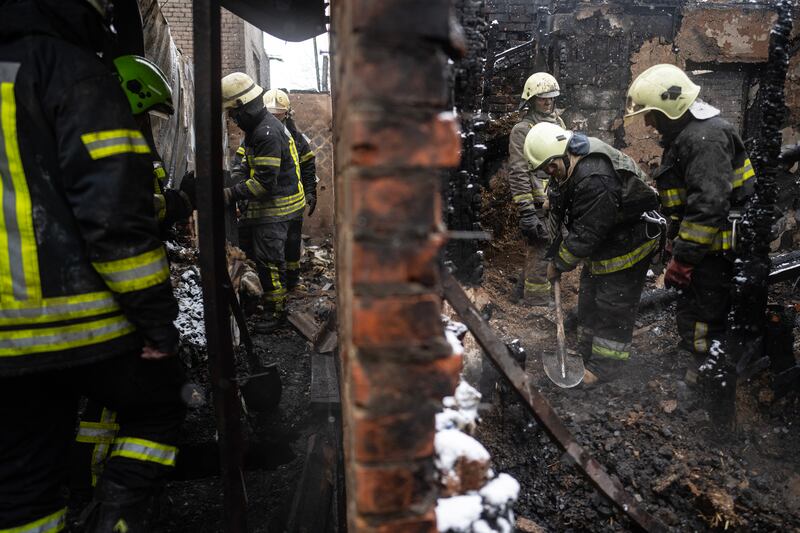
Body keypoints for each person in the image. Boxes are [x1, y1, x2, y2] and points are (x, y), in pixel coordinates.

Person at [0, 1, 186, 531]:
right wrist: (156, 324)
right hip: (69, 315)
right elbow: (117, 218)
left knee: (22, 485)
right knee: (159, 405)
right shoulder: (70, 71)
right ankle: (116, 517)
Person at [71, 54, 197, 495]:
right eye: (142, 112)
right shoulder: (104, 143)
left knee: (106, 397)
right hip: (110, 294)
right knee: (131, 399)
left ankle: (98, 485)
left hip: (101, 291)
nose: (146, 123)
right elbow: (130, 214)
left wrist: (172, 201)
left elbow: (147, 200)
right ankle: (109, 495)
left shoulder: (105, 139)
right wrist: (155, 320)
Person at [625, 64, 755, 372]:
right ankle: (696, 362)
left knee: (705, 319)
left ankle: (706, 378)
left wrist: (684, 260)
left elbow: (707, 206)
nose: (647, 121)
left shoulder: (705, 138)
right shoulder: (689, 135)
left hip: (716, 251)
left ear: (670, 109)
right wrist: (676, 246)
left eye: (651, 113)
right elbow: (684, 205)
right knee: (693, 308)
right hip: (705, 248)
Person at [524, 122, 660, 383]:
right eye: (545, 169)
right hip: (606, 239)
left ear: (564, 152)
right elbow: (564, 216)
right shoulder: (567, 165)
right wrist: (555, 252)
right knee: (589, 296)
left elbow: (587, 233)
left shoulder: (595, 178)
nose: (550, 172)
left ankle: (605, 367)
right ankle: (585, 352)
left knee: (613, 304)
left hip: (627, 243)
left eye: (552, 165)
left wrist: (560, 264)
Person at [222, 73, 305, 331]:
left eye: (233, 114)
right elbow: (244, 163)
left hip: (276, 210)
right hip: (280, 207)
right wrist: (237, 178)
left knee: (268, 261)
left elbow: (264, 184)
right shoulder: (258, 129)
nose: (232, 120)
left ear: (243, 107)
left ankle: (276, 314)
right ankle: (272, 304)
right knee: (266, 259)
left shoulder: (266, 133)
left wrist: (230, 194)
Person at [508, 72, 566, 305]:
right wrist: (526, 211)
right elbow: (518, 171)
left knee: (543, 247)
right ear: (531, 99)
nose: (548, 101)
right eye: (542, 98)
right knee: (542, 249)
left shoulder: (559, 124)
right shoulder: (522, 130)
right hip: (537, 202)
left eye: (551, 97)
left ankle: (520, 293)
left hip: (556, 199)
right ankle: (537, 300)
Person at [263, 88, 317, 291]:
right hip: (268, 203)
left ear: (287, 113)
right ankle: (278, 287)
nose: (276, 119)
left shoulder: (295, 137)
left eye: (280, 115)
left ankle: (292, 281)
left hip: (293, 203)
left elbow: (308, 164)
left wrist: (311, 191)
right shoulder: (257, 135)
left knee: (292, 242)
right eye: (272, 115)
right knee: (272, 248)